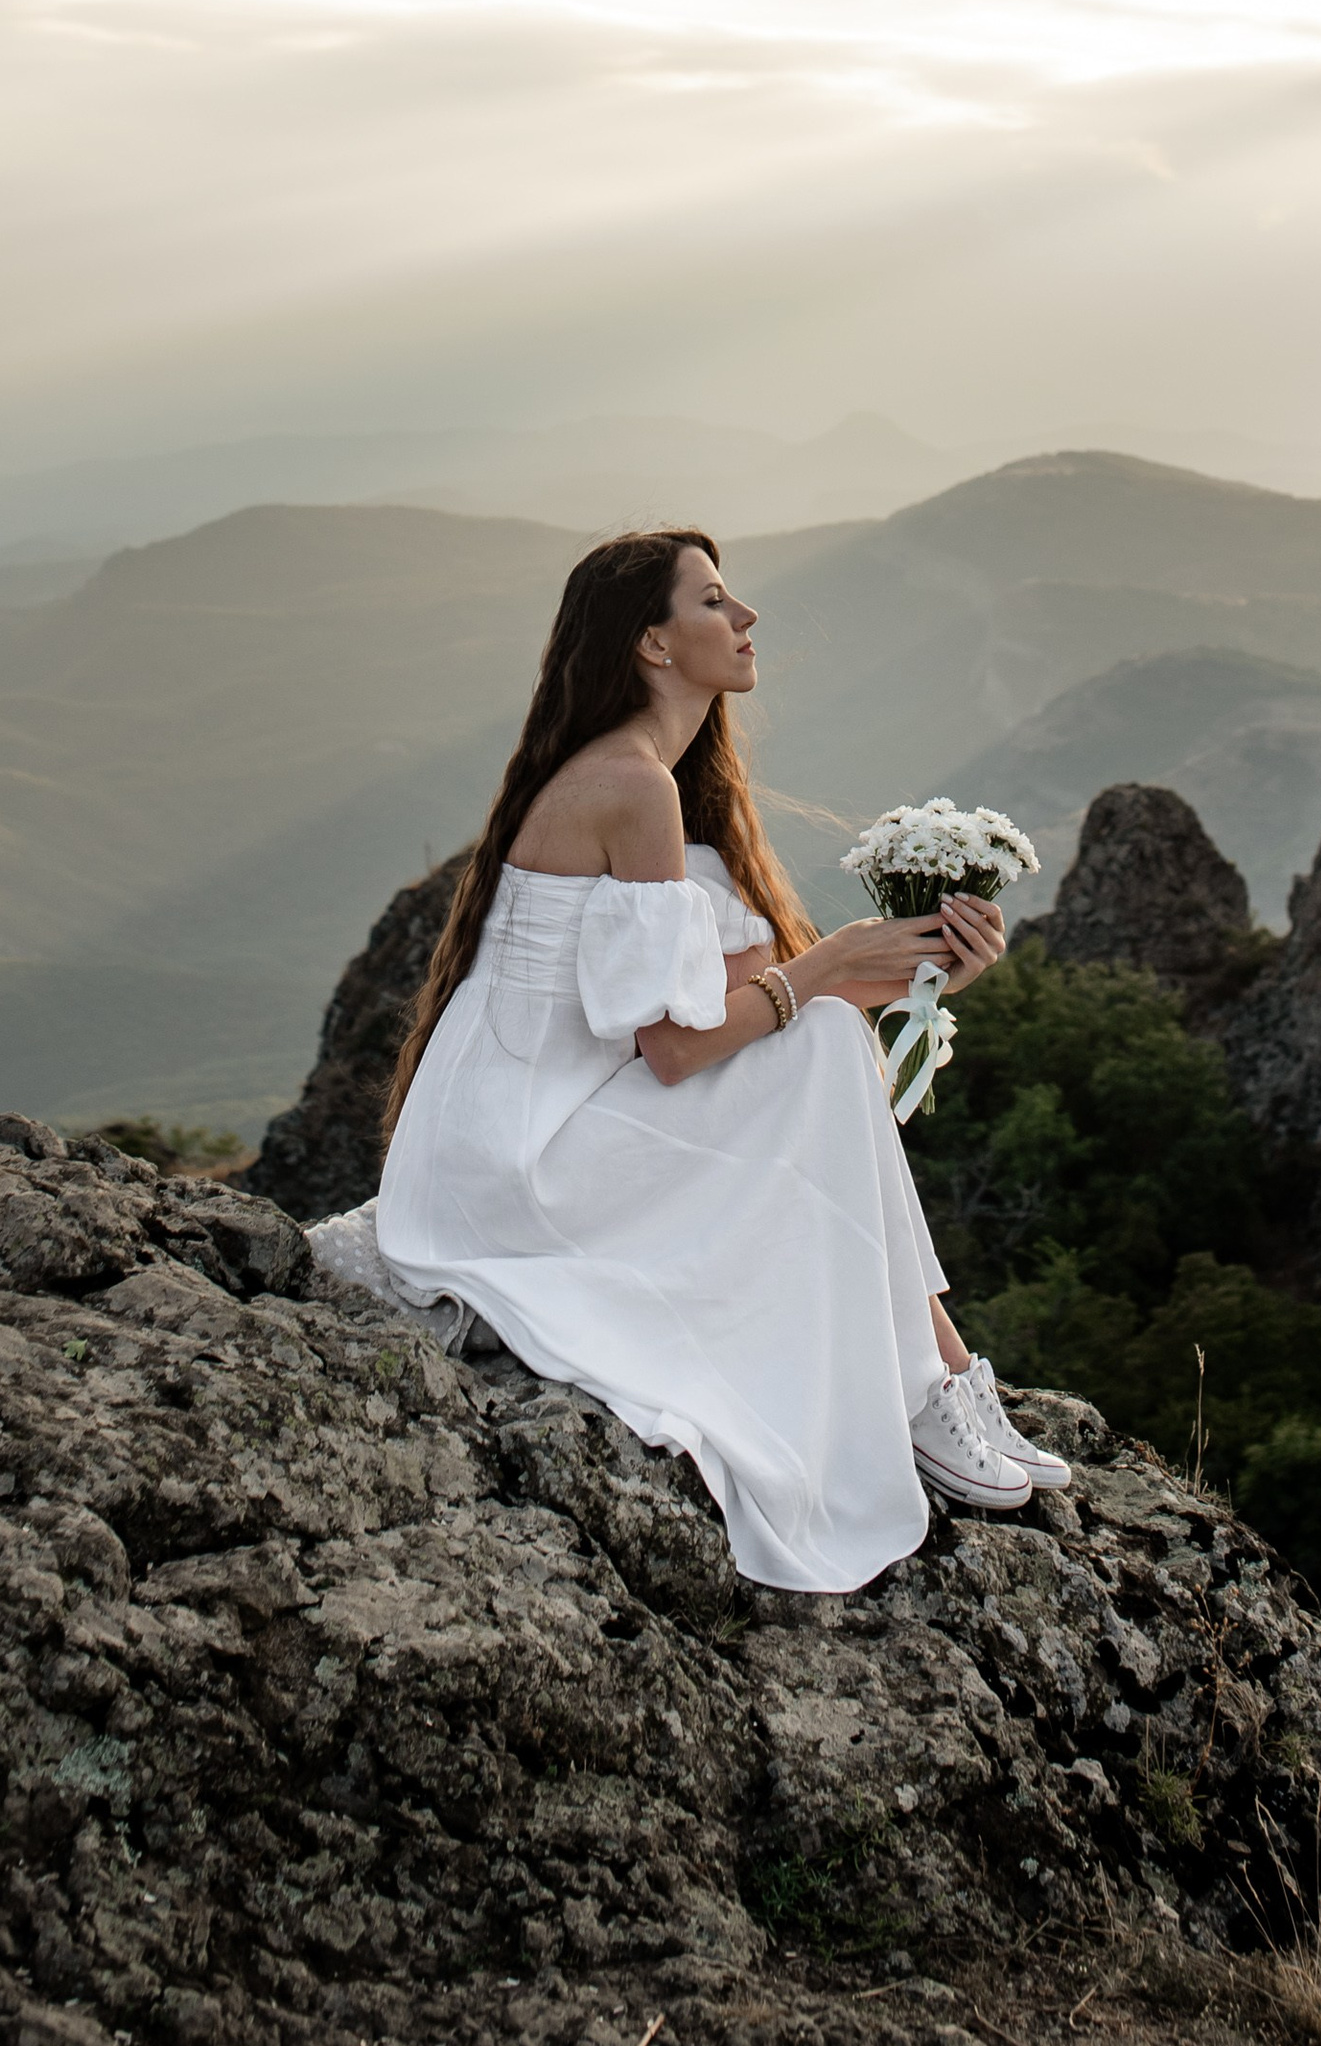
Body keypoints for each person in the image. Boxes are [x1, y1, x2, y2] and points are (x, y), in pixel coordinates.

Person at [374, 527, 1070, 1592]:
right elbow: (675, 1048)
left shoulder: (661, 791)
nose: (746, 618)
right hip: (523, 1164)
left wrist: (929, 975)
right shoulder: (629, 785)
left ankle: (941, 1375)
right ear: (652, 643)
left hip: (545, 1122)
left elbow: (748, 1008)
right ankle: (932, 1383)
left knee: (821, 1037)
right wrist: (831, 960)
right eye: (712, 601)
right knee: (820, 1036)